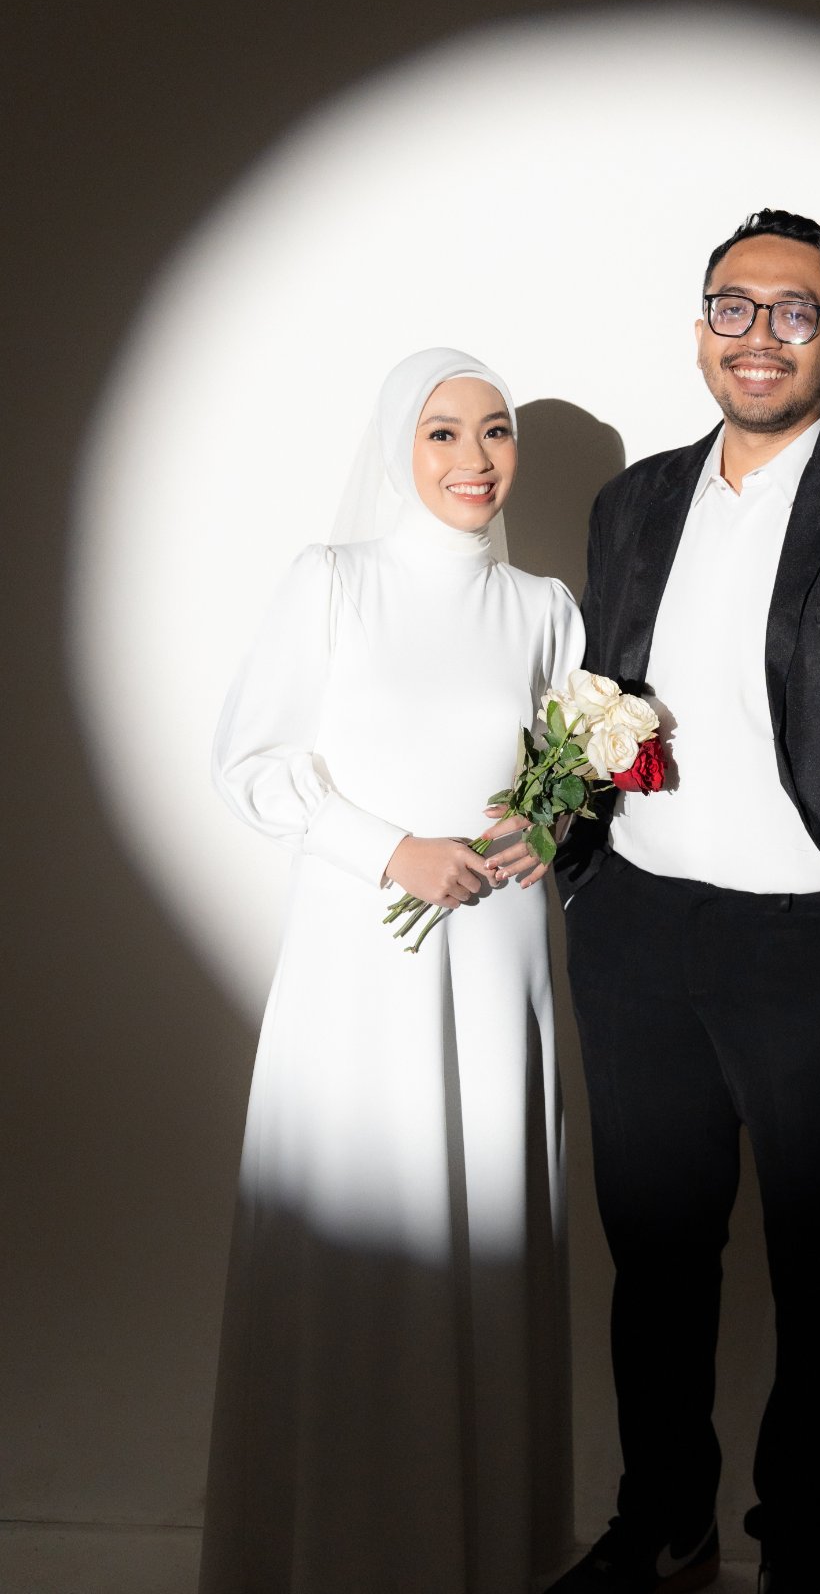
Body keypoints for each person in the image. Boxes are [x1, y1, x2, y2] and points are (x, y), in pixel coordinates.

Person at [550, 212, 820, 1594]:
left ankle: (801, 1545)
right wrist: (581, 880)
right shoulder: (634, 503)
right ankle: (661, 1523)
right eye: (732, 307)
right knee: (654, 1258)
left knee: (817, 1265)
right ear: (700, 329)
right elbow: (599, 696)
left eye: (795, 313)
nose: (759, 336)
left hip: (813, 949)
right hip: (638, 930)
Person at [200, 348, 583, 1594]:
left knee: (487, 1226)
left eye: (496, 430)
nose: (475, 459)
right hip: (361, 964)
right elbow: (253, 761)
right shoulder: (333, 583)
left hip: (499, 957)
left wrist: (548, 825)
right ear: (395, 447)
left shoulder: (544, 608)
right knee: (361, 1229)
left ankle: (483, 1554)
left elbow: (565, 776)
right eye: (442, 432)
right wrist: (390, 851)